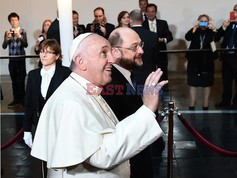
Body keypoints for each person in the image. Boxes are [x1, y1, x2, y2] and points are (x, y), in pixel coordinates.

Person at [31, 33, 167, 178]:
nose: (112, 59)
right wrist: (147, 110)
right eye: (103, 53)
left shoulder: (83, 90)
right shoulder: (72, 102)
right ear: (81, 61)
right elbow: (102, 155)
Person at [102, 26, 157, 178]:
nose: (141, 51)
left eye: (141, 45)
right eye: (134, 47)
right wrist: (148, 107)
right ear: (115, 52)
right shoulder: (110, 83)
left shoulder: (130, 75)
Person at [23, 39, 71, 178]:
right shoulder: (33, 75)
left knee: (62, 162)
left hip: (61, 126)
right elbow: (29, 104)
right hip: (40, 126)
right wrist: (26, 129)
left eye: (49, 52)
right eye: (42, 51)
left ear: (57, 56)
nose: (44, 55)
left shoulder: (65, 73)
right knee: (45, 163)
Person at [214, 4, 237, 109]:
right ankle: (225, 102)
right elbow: (216, 38)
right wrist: (223, 27)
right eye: (235, 10)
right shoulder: (228, 24)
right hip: (227, 58)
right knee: (226, 82)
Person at [185, 14, 218, 110]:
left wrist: (213, 29)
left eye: (205, 21)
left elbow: (216, 39)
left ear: (208, 22)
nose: (203, 23)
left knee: (207, 82)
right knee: (193, 82)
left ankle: (206, 102)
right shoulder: (195, 30)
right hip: (194, 59)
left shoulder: (211, 31)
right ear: (198, 21)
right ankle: (192, 102)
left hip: (207, 59)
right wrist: (194, 27)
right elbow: (187, 37)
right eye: (201, 21)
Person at [2, 12, 28, 108]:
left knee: (21, 79)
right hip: (12, 59)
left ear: (18, 20)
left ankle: (22, 100)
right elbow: (4, 46)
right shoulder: (7, 32)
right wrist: (7, 39)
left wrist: (19, 36)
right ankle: (16, 99)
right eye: (12, 20)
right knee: (14, 80)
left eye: (16, 20)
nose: (14, 22)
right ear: (10, 22)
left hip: (21, 59)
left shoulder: (23, 31)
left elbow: (25, 44)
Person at [143, 3, 173, 81]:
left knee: (162, 73)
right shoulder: (142, 24)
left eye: (152, 11)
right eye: (148, 11)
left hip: (161, 52)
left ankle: (164, 90)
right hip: (147, 53)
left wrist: (163, 40)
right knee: (148, 74)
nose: (150, 13)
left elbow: (170, 37)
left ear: (156, 12)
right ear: (146, 12)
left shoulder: (163, 23)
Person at [130, 9, 159, 85]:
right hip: (149, 75)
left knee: (133, 96)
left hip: (131, 76)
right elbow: (156, 57)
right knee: (150, 96)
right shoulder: (153, 36)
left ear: (130, 20)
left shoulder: (125, 35)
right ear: (143, 19)